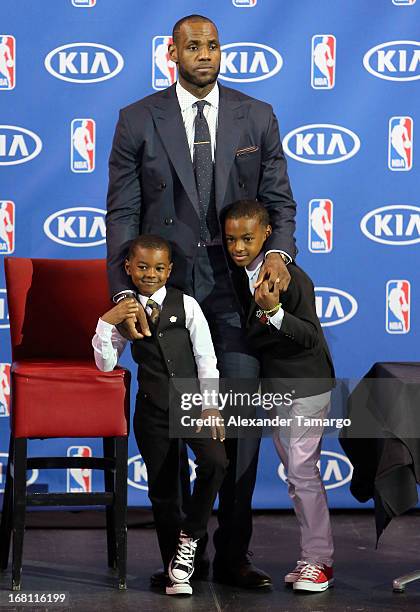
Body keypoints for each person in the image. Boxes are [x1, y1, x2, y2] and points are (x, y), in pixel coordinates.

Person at [106, 13, 297, 588]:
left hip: (234, 298)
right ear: (173, 52)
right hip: (161, 295)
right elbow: (122, 216)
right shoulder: (137, 119)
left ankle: (233, 555)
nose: (205, 54)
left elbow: (280, 206)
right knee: (165, 431)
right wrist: (124, 294)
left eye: (213, 45)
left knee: (235, 424)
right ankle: (179, 558)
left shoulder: (256, 116)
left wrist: (278, 262)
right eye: (194, 46)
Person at [92, 234, 227, 596]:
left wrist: (210, 404)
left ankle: (192, 535)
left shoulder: (188, 306)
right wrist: (106, 323)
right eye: (142, 267)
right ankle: (176, 570)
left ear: (169, 270)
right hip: (151, 409)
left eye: (158, 267)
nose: (149, 274)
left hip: (193, 405)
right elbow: (106, 365)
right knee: (164, 492)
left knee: (216, 462)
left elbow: (206, 358)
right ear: (128, 269)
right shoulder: (126, 312)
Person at [224, 200, 335, 593]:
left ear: (267, 235)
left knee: (303, 473)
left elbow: (310, 336)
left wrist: (274, 313)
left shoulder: (291, 278)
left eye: (247, 239)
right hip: (279, 389)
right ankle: (312, 558)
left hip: (307, 387)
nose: (238, 247)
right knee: (297, 476)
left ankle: (319, 561)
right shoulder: (239, 277)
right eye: (232, 239)